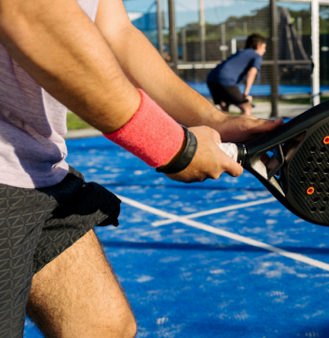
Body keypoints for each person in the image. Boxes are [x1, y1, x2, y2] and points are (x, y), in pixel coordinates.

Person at [0, 0, 282, 337]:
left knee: (104, 327)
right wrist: (172, 146)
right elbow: (28, 12)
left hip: (37, 166)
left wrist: (215, 121)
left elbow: (117, 32)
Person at [207, 34, 266, 116]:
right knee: (247, 107)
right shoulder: (256, 55)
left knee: (224, 107)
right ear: (258, 46)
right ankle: (246, 129)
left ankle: (224, 128)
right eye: (264, 47)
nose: (265, 50)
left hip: (211, 78)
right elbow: (252, 72)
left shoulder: (240, 51)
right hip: (225, 79)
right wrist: (246, 94)